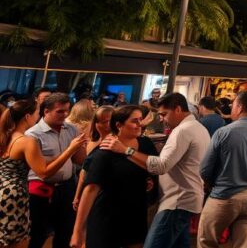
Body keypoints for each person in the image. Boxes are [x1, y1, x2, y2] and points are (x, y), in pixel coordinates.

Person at [99, 93, 211, 248]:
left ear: (178, 109)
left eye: (164, 114)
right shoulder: (199, 128)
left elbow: (161, 166)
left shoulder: (183, 131)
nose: (161, 119)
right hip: (186, 197)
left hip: (177, 200)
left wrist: (126, 150)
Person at [197, 90, 247, 248]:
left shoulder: (223, 133)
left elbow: (205, 169)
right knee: (244, 245)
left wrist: (214, 184)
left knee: (206, 241)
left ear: (240, 107)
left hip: (223, 194)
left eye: (233, 105)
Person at [70, 105, 158, 248]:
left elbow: (154, 166)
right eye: (134, 121)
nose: (139, 124)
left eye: (140, 120)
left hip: (135, 212)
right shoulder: (105, 150)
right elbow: (90, 189)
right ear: (118, 125)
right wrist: (78, 231)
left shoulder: (145, 144)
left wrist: (148, 178)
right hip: (107, 215)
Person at [2, 100, 86, 248]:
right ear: (28, 116)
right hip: (16, 194)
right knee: (18, 241)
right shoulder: (27, 140)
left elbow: (39, 161)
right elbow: (44, 173)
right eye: (36, 113)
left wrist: (67, 152)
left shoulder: (6, 136)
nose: (37, 117)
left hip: (4, 190)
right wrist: (70, 150)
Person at [25, 93, 87, 248]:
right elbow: (43, 172)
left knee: (65, 232)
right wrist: (70, 149)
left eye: (67, 110)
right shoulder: (33, 134)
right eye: (60, 111)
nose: (65, 115)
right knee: (38, 234)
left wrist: (81, 145)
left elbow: (80, 160)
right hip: (41, 190)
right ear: (46, 111)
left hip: (66, 187)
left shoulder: (71, 128)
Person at [72, 104, 113, 212]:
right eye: (103, 122)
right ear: (96, 124)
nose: (107, 125)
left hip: (108, 192)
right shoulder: (92, 143)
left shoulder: (118, 144)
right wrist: (77, 195)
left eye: (110, 121)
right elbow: (84, 172)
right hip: (90, 191)